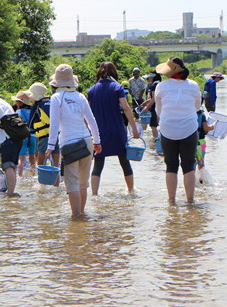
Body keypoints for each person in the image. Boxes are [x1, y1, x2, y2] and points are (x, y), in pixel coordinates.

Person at [45, 64, 101, 216]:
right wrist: (97, 141)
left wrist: (50, 146)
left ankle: (76, 218)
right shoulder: (80, 96)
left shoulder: (57, 97)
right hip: (87, 143)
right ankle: (82, 213)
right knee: (83, 183)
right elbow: (91, 121)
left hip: (70, 145)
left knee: (72, 184)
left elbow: (54, 124)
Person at [151, 58, 202, 203]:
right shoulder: (193, 85)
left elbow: (158, 111)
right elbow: (197, 107)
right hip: (189, 129)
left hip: (167, 130)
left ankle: (172, 201)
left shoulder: (161, 86)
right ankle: (190, 200)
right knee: (188, 165)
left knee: (171, 166)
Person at [87, 62, 141, 195]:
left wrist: (88, 130)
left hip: (99, 132)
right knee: (124, 161)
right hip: (117, 129)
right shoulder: (117, 87)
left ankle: (94, 194)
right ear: (114, 72)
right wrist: (134, 128)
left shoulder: (92, 90)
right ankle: (131, 190)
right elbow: (126, 108)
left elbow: (86, 113)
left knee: (98, 164)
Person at [0, 95, 24, 196]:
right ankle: (11, 192)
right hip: (16, 136)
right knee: (12, 166)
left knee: (8, 166)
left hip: (8, 138)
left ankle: (10, 194)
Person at [28, 82, 61, 186]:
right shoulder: (53, 101)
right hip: (56, 137)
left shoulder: (36, 106)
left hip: (44, 139)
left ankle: (42, 190)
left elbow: (30, 126)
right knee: (55, 167)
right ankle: (56, 189)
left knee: (41, 165)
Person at [11, 90, 36, 177]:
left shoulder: (19, 112)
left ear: (20, 102)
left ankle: (20, 177)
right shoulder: (33, 110)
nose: (16, 103)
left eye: (17, 101)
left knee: (21, 159)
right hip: (33, 136)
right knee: (32, 159)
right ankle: (34, 176)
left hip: (23, 137)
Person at [195, 109, 215, 182]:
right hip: (201, 142)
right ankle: (201, 179)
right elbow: (206, 128)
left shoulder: (186, 113)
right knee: (201, 162)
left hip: (189, 142)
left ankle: (192, 181)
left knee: (191, 163)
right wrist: (211, 127)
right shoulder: (201, 115)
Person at [141, 72, 160, 138]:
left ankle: (156, 141)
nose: (148, 79)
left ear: (152, 77)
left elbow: (154, 98)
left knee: (153, 126)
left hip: (155, 108)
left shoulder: (153, 85)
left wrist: (147, 107)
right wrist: (146, 102)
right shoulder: (160, 83)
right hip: (162, 107)